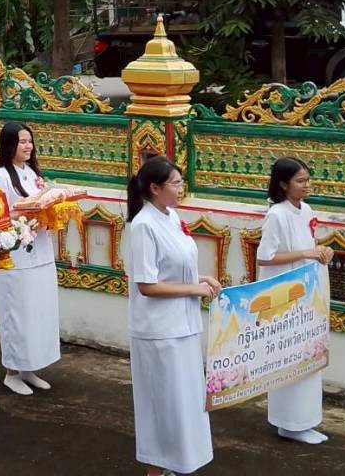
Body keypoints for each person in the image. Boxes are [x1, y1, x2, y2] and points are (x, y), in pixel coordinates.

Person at [126, 156, 219, 476]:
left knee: (184, 402)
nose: (181, 188)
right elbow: (147, 285)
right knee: (162, 404)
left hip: (184, 325)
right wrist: (194, 289)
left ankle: (177, 463)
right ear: (155, 188)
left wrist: (201, 278)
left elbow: (174, 267)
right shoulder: (144, 226)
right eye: (176, 183)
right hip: (159, 330)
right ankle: (155, 469)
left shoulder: (171, 216)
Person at [258, 157, 334, 445]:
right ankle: (288, 422)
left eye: (307, 179)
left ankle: (305, 420)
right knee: (288, 355)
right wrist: (306, 253)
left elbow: (308, 246)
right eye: (300, 181)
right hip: (285, 296)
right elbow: (265, 257)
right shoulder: (277, 215)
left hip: (307, 291)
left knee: (307, 354)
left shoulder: (306, 210)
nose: (306, 185)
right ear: (283, 184)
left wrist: (321, 252)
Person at [0, 121, 60, 396]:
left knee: (38, 313)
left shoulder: (32, 173)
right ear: (9, 144)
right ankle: (12, 371)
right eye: (22, 141)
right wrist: (28, 212)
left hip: (41, 252)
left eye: (30, 141)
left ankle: (30, 367)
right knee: (18, 313)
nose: (28, 146)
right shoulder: (0, 177)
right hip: (16, 256)